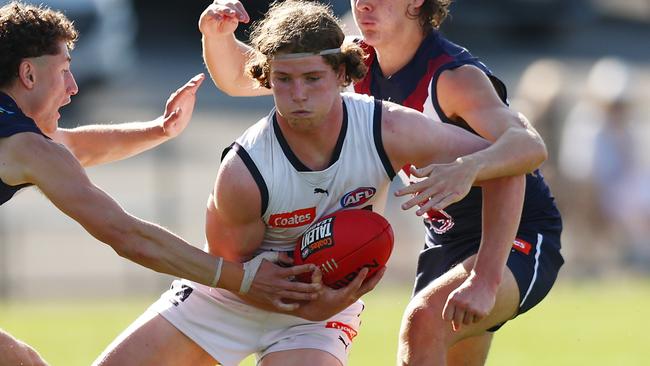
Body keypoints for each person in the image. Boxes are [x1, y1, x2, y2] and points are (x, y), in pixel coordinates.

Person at [94, 1, 525, 365]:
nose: (298, 94)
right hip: (230, 296)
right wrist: (217, 39)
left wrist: (485, 274)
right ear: (266, 79)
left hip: (319, 313)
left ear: (342, 76)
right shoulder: (245, 172)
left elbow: (504, 164)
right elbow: (230, 269)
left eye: (313, 79)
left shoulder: (388, 128)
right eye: (284, 80)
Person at [198, 0, 564, 365]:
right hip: (447, 239)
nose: (364, 5)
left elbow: (528, 147)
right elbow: (241, 77)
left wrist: (485, 274)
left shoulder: (452, 77)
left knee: (423, 323)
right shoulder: (356, 61)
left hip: (517, 234)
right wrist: (217, 36)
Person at [0, 2, 320, 365]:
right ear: (28, 74)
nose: (73, 88)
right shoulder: (25, 146)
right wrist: (242, 279)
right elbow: (127, 236)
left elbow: (72, 147)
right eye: (64, 70)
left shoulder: (22, 141)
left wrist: (159, 129)